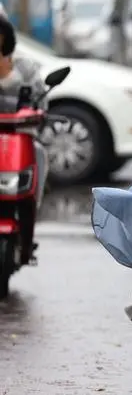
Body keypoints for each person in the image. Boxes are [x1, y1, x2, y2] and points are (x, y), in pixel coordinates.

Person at [0, 13, 49, 261]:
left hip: (19, 138)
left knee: (38, 153)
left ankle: (29, 223)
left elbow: (42, 100)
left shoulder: (26, 68)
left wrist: (39, 115)